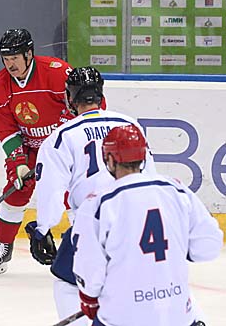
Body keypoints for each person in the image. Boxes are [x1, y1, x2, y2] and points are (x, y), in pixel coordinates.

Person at [24, 66, 155, 325]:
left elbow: (51, 190)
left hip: (91, 226)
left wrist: (42, 230)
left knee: (67, 281)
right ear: (99, 94)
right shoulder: (129, 126)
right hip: (137, 225)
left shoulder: (60, 137)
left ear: (69, 98)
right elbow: (148, 176)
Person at [71, 124, 223, 326]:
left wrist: (89, 299)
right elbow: (209, 245)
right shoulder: (176, 190)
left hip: (121, 317)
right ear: (143, 157)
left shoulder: (98, 204)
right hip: (177, 315)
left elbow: (90, 268)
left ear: (109, 158)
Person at [0, 28, 80, 277]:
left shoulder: (57, 73)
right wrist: (19, 162)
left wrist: (61, 147)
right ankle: (3, 246)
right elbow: (6, 130)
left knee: (75, 192)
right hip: (30, 148)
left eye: (15, 57)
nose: (10, 64)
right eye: (6, 59)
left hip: (64, 147)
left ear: (29, 54)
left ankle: (85, 247)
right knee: (16, 190)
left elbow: (82, 108)